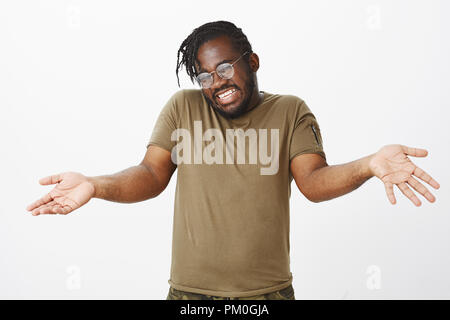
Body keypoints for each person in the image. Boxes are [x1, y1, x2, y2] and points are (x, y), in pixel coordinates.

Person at [26, 21, 440, 300]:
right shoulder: (183, 108)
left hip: (267, 295)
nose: (216, 82)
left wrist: (369, 164)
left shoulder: (290, 110)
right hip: (190, 296)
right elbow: (151, 174)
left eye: (225, 67)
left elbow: (313, 183)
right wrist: (95, 186)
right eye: (204, 75)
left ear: (252, 62)